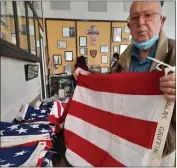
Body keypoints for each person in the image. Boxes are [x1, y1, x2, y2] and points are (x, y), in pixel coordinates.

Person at [74, 1, 176, 166]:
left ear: (162, 21)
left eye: (148, 15)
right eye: (135, 18)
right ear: (129, 25)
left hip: (160, 149)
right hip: (127, 143)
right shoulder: (125, 55)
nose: (141, 22)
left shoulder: (174, 51)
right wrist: (89, 76)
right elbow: (111, 82)